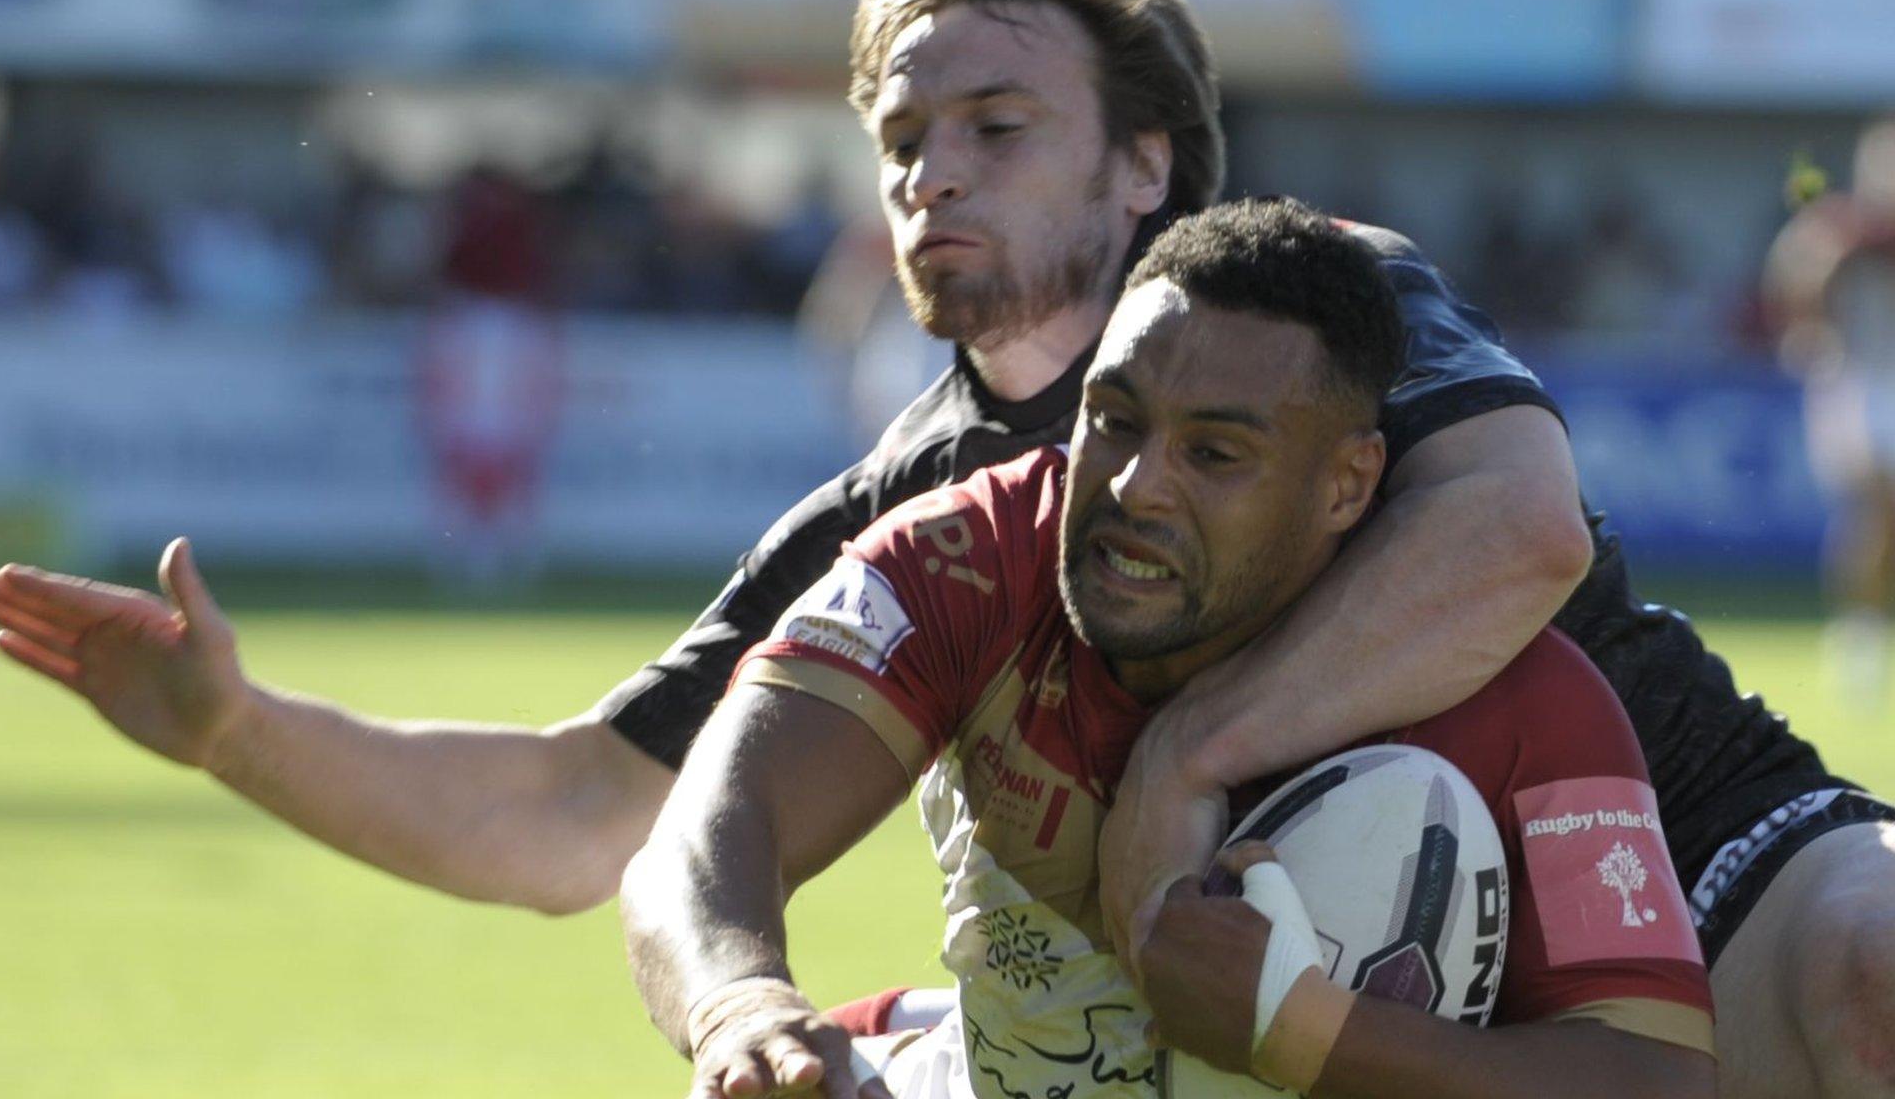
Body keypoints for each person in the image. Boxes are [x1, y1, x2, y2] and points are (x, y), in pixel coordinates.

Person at [0, 0, 1895, 1093]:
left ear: (1144, 160)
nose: (927, 178)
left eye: (993, 128)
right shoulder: (918, 512)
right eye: (895, 139)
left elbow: (1518, 525)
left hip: (1689, 857)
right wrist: (235, 728)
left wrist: (1190, 764)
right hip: (1269, 984)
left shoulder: (1319, 306)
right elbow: (582, 818)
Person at [623, 198, 1715, 1099]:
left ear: (1345, 485)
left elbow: (1654, 1078)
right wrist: (738, 1005)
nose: (1137, 487)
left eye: (1214, 451)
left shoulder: (1518, 690)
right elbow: (710, 831)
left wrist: (1298, 1029)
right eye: (1115, 419)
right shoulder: (971, 557)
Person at [1767, 119, 1895, 712]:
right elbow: (1797, 268)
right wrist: (1807, 331)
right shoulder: (1844, 232)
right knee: (1873, 506)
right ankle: (1860, 631)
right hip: (1864, 377)